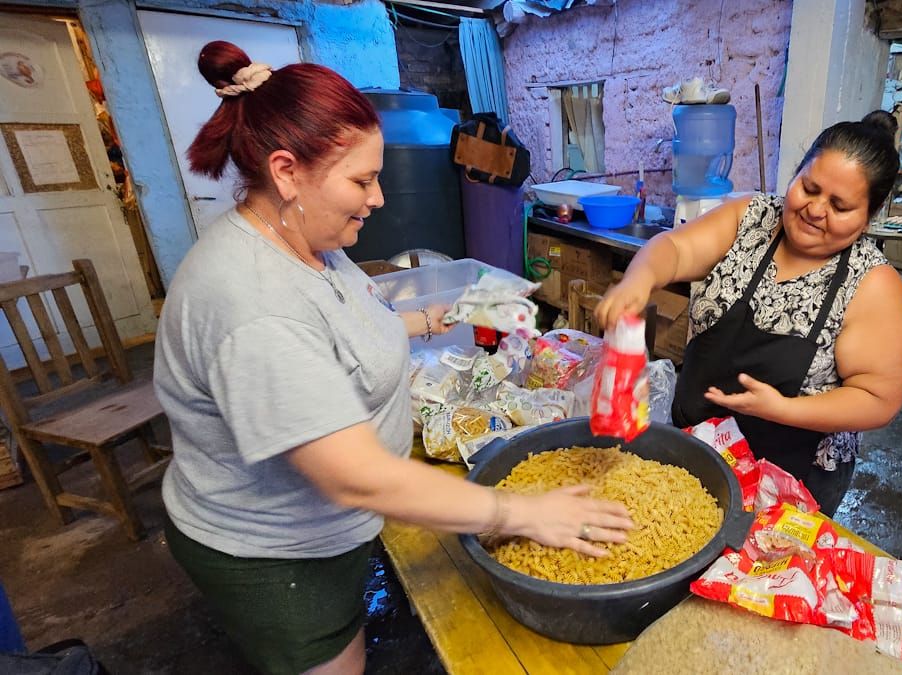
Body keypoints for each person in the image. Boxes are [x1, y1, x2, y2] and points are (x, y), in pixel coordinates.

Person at [154, 42, 634, 675]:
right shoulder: (252, 302)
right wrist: (521, 511)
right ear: (287, 171)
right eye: (361, 180)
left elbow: (351, 320)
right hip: (276, 554)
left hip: (333, 527)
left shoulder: (308, 243)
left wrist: (445, 316)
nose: (377, 199)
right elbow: (349, 473)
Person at [597, 111, 902, 514]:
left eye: (839, 205)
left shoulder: (872, 284)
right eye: (809, 187)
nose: (815, 210)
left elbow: (878, 398)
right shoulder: (752, 218)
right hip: (696, 447)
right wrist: (637, 282)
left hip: (788, 480)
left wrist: (783, 409)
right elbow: (674, 249)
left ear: (870, 214)